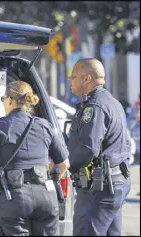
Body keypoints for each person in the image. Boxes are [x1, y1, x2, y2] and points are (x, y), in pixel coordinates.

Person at [0, 81, 70, 236]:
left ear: (10, 100)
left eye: (3, 98)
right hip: (46, 197)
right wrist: (47, 178)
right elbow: (64, 164)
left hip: (13, 198)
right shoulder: (45, 125)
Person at [67, 58, 131, 236]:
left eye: (73, 76)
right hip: (114, 184)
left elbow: (87, 149)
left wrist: (62, 164)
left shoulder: (95, 107)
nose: (70, 80)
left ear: (86, 78)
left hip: (100, 188)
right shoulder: (111, 102)